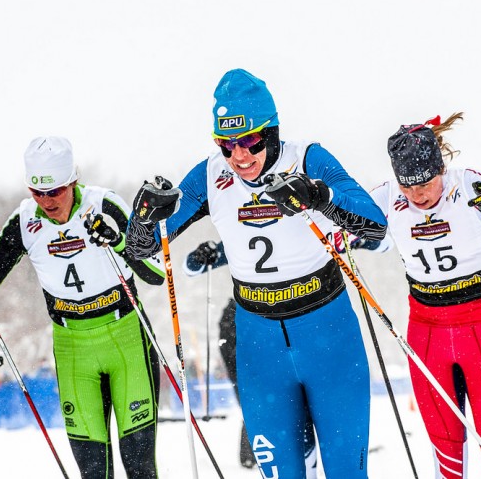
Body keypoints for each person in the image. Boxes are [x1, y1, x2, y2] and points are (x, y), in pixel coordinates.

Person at [126, 68, 387, 478]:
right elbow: (143, 246)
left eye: (249, 141)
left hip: (328, 335)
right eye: (226, 145)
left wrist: (318, 196)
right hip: (259, 344)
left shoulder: (308, 157)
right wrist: (142, 219)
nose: (239, 157)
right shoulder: (212, 175)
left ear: (272, 131)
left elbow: (375, 223)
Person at [0, 137, 165, 479]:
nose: (47, 201)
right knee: (94, 472)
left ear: (72, 181)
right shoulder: (23, 222)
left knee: (139, 467)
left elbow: (155, 274)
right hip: (72, 347)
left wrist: (120, 239)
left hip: (127, 338)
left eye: (55, 191)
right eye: (37, 192)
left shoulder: (105, 205)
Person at [362, 113, 481, 478]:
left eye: (425, 184)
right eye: (408, 186)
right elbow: (348, 234)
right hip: (426, 328)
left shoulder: (469, 184)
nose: (417, 195)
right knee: (445, 447)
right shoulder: (386, 197)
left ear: (441, 169)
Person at [183, 241, 318, 475]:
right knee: (257, 398)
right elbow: (190, 266)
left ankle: (277, 455)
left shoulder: (295, 227)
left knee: (289, 396)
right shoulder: (244, 230)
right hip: (240, 320)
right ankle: (254, 457)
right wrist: (204, 254)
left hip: (290, 316)